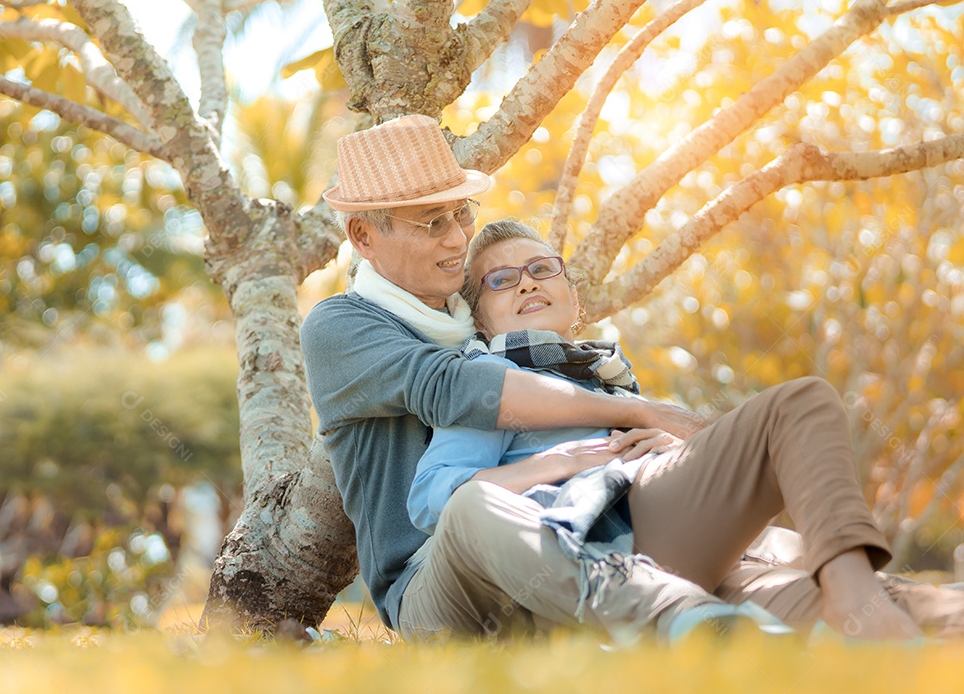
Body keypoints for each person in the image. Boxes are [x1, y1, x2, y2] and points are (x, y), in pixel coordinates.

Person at [299, 114, 958, 643]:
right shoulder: (347, 325)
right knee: (476, 507)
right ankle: (688, 621)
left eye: (460, 214)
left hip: (601, 540)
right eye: (430, 222)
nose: (454, 238)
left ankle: (869, 606)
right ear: (363, 234)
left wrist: (674, 444)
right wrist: (633, 422)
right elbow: (455, 396)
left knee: (799, 423)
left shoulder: (540, 354)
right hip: (439, 580)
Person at [408, 218, 964, 640]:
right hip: (584, 551)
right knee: (797, 407)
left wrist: (680, 450)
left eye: (541, 268)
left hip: (674, 544)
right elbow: (435, 499)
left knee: (807, 413)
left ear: (572, 294)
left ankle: (865, 601)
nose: (526, 284)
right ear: (480, 319)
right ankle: (844, 605)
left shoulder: (616, 385)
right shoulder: (490, 378)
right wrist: (562, 463)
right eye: (501, 280)